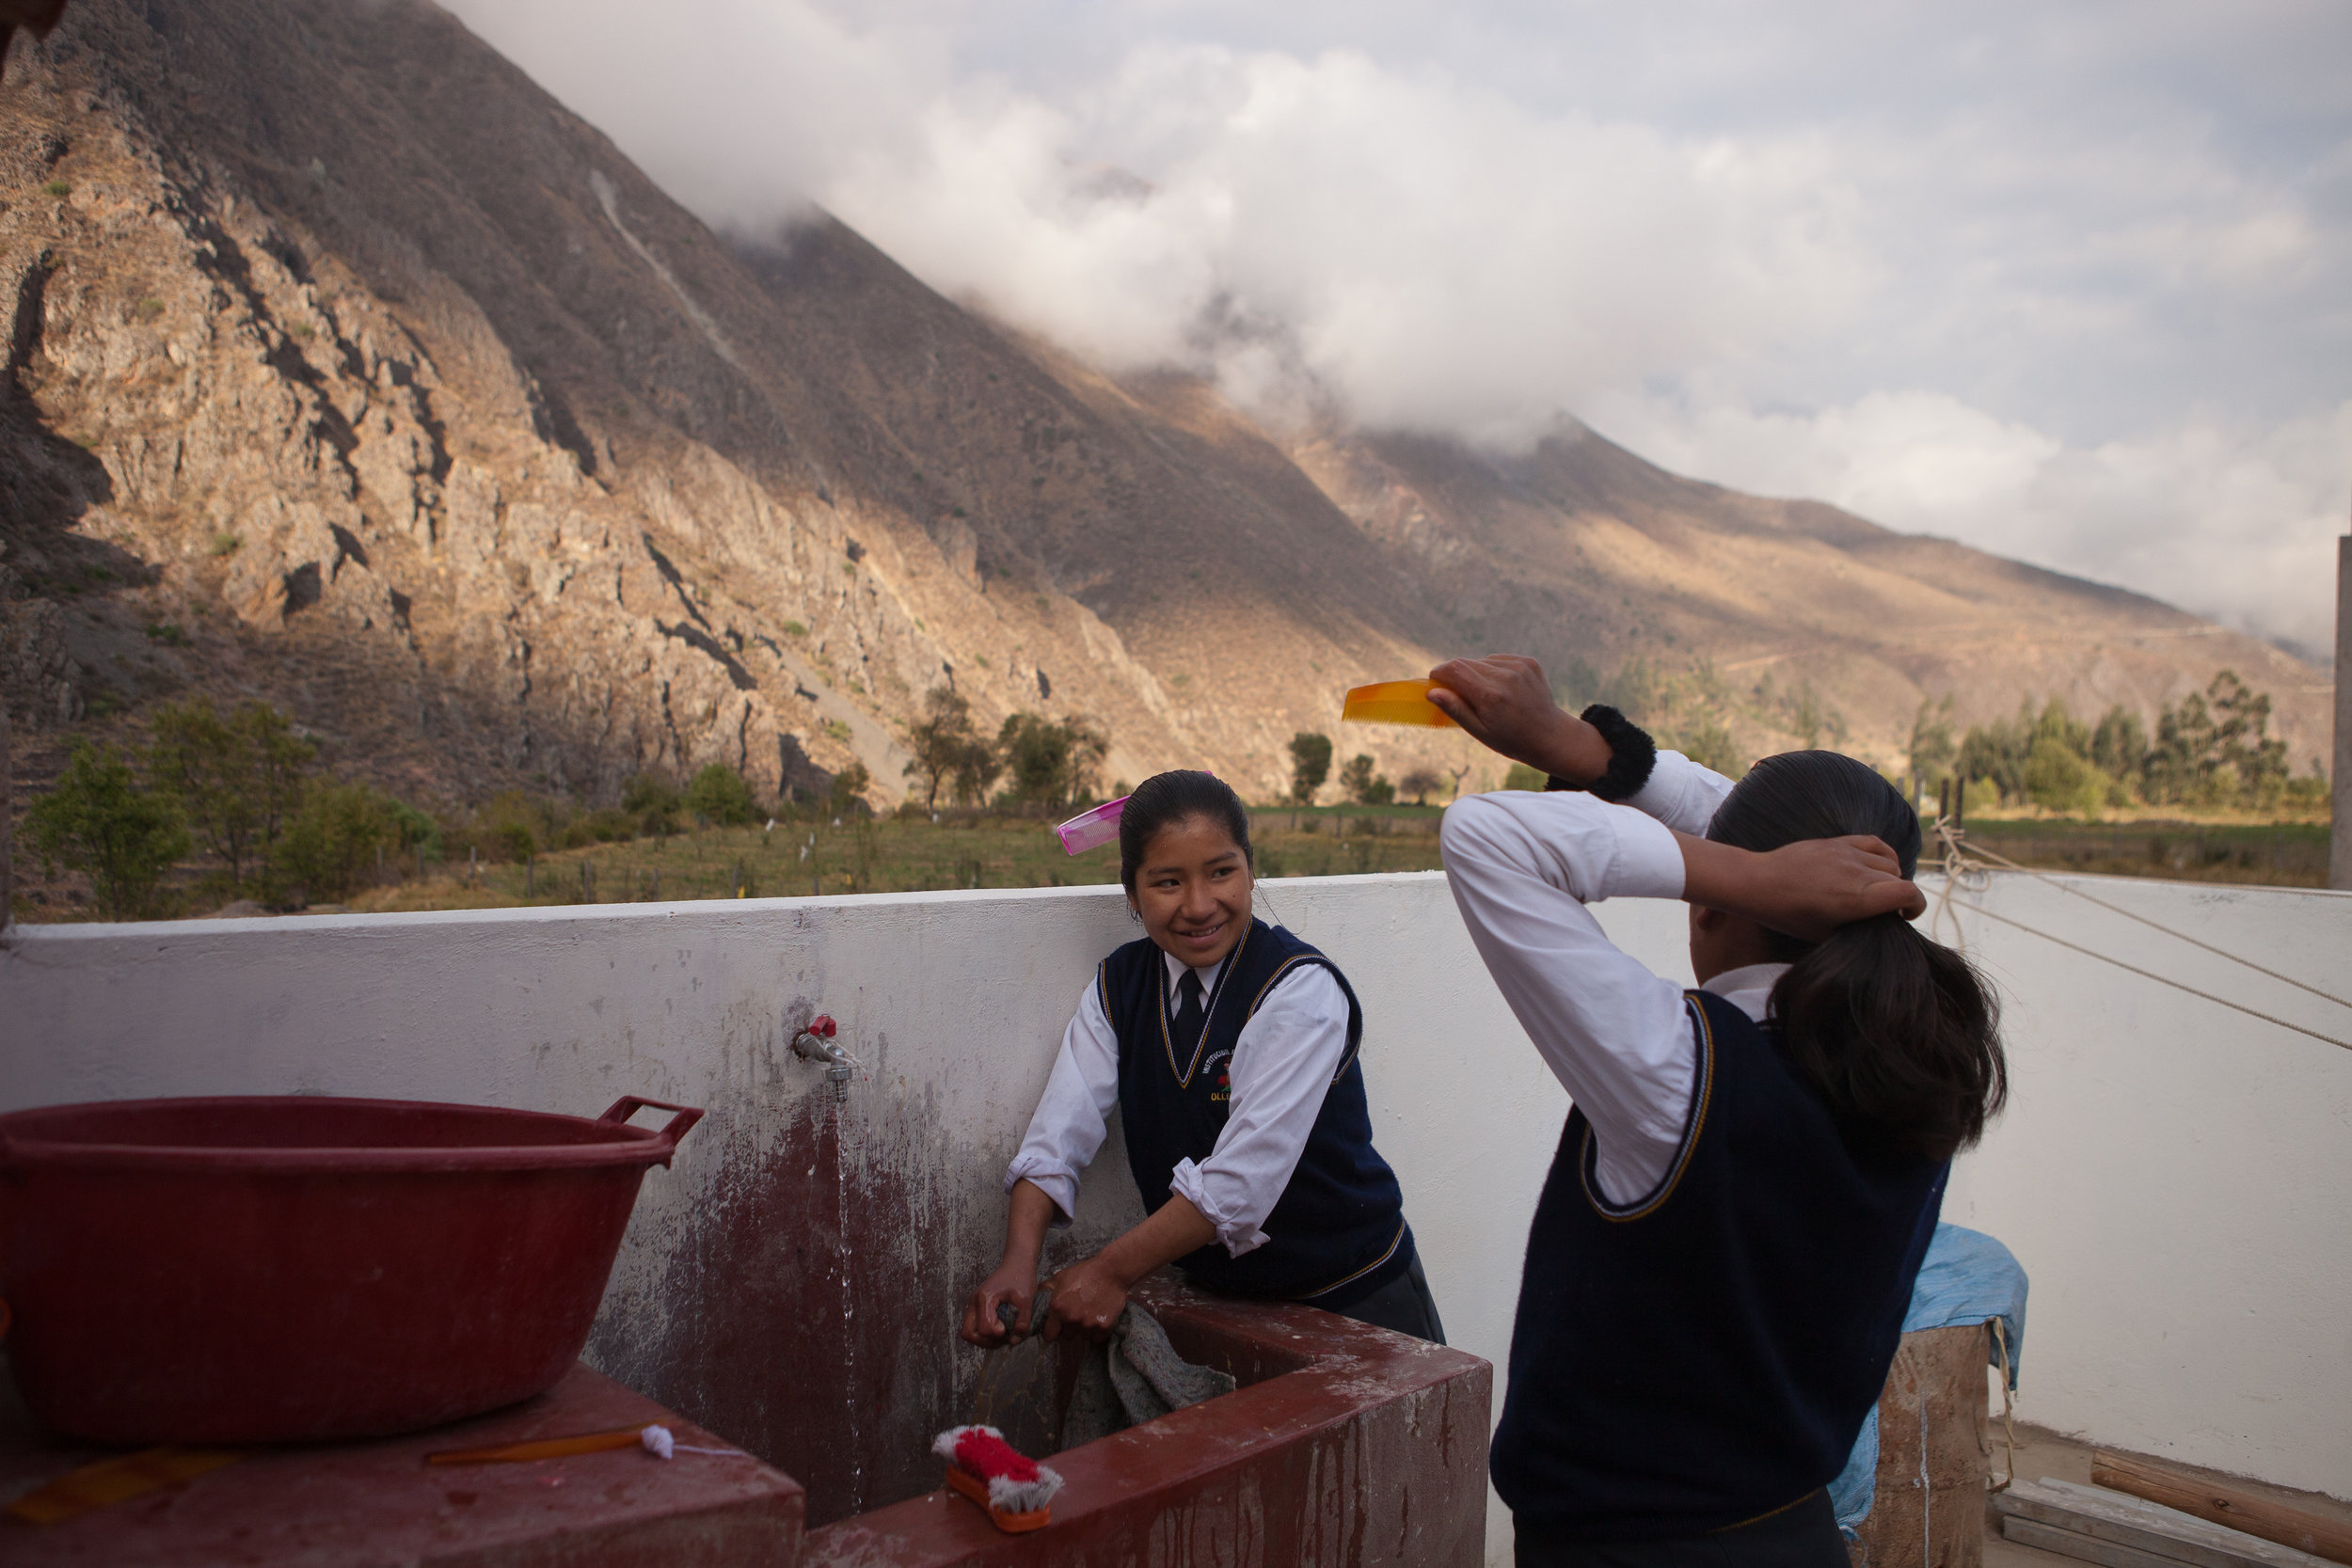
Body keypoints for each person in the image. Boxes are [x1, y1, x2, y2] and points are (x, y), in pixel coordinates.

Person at [1426, 655, 2005, 1568]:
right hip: (1794, 1530)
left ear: (1711, 906)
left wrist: (1751, 871)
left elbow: (1484, 833)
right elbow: (1760, 820)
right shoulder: (1914, 1054)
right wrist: (1587, 751)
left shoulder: (1679, 1072)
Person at [960, 768, 1443, 1350]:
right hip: (1223, 1302)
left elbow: (1238, 1183)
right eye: (1167, 882)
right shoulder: (1119, 985)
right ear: (1132, 894)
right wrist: (1019, 1259)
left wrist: (1109, 1272)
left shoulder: (1298, 992)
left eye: (1221, 872)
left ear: (1250, 868)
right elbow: (1058, 1134)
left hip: (1354, 1297)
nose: (1198, 905)